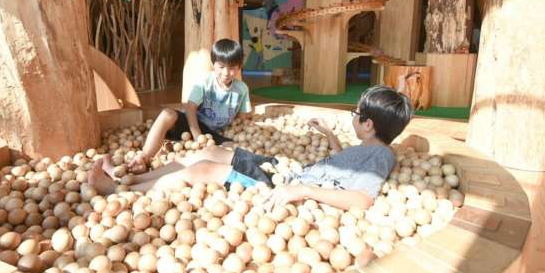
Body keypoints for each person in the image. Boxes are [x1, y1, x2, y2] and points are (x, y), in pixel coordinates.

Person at [91, 86, 412, 211]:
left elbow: (362, 198)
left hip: (284, 184)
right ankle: (136, 178)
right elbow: (342, 163)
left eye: (356, 114)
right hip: (284, 170)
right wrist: (329, 134)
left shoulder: (381, 155)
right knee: (205, 153)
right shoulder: (368, 146)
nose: (353, 117)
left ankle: (119, 193)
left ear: (368, 124)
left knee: (202, 171)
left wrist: (306, 190)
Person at [127, 38, 252, 173]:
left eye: (232, 68)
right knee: (167, 114)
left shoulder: (242, 89)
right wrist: (197, 136)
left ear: (239, 67)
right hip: (191, 124)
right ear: (213, 64)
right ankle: (144, 157)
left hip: (213, 134)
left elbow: (242, 118)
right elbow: (190, 108)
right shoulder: (204, 82)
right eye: (221, 67)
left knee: (233, 147)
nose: (226, 73)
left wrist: (242, 135)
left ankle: (175, 151)